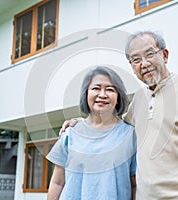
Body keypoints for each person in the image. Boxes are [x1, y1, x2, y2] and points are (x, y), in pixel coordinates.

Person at [60, 31, 178, 200]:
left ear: (164, 55)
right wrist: (83, 122)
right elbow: (113, 126)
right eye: (136, 59)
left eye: (150, 54)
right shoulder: (139, 99)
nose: (144, 63)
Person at [46, 66, 137, 200]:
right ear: (86, 94)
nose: (102, 94)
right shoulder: (70, 133)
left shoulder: (130, 135)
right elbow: (57, 182)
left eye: (110, 89)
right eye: (96, 88)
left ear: (118, 98)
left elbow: (134, 185)